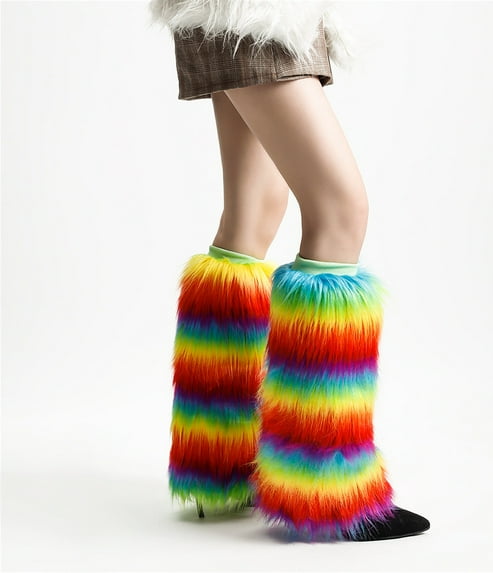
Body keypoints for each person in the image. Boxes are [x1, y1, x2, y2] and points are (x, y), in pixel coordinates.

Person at [148, 0, 430, 542]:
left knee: (255, 210)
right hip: (257, 11)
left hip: (247, 12)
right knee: (339, 208)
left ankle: (220, 456)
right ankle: (323, 488)